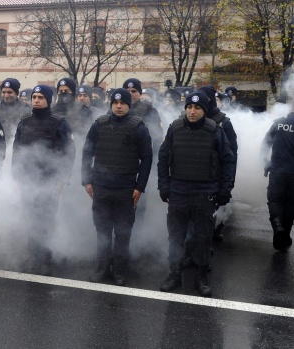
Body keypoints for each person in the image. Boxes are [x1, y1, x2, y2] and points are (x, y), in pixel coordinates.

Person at [158, 91, 235, 297]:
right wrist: (163, 186)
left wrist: (224, 190)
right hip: (179, 192)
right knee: (176, 237)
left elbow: (228, 161)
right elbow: (163, 158)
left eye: (197, 108)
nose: (192, 111)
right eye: (189, 108)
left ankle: (201, 277)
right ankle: (174, 273)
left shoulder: (215, 131)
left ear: (204, 110)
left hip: (204, 193)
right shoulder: (174, 128)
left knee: (202, 238)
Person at [82, 88, 153, 286]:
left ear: (129, 105)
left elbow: (147, 159)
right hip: (101, 188)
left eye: (123, 103)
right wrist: (86, 180)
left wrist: (140, 187)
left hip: (125, 189)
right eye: (115, 103)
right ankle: (102, 267)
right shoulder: (99, 125)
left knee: (123, 232)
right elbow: (87, 153)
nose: (119, 106)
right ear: (111, 104)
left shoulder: (139, 127)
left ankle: (120, 270)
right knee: (102, 231)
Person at [12, 84, 76, 276]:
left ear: (49, 99)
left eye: (40, 97)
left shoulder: (59, 122)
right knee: (30, 217)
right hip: (29, 178)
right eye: (34, 97)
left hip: (50, 179)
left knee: (47, 219)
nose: (36, 101)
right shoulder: (24, 121)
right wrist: (16, 175)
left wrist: (62, 179)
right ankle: (33, 256)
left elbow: (69, 152)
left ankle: (46, 257)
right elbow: (16, 149)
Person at [198, 85, 238, 241]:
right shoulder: (189, 119)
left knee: (213, 213)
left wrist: (229, 182)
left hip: (216, 176)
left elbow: (232, 155)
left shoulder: (223, 122)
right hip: (194, 176)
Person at [260, 105, 294, 251]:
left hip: (277, 171)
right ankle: (283, 236)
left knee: (275, 201)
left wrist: (266, 163)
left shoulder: (278, 124)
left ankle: (277, 226)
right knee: (290, 205)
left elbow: (265, 145)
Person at [122, 78, 163, 154]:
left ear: (140, 93)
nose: (130, 94)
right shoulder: (115, 110)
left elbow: (157, 136)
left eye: (134, 91)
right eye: (127, 91)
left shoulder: (149, 110)